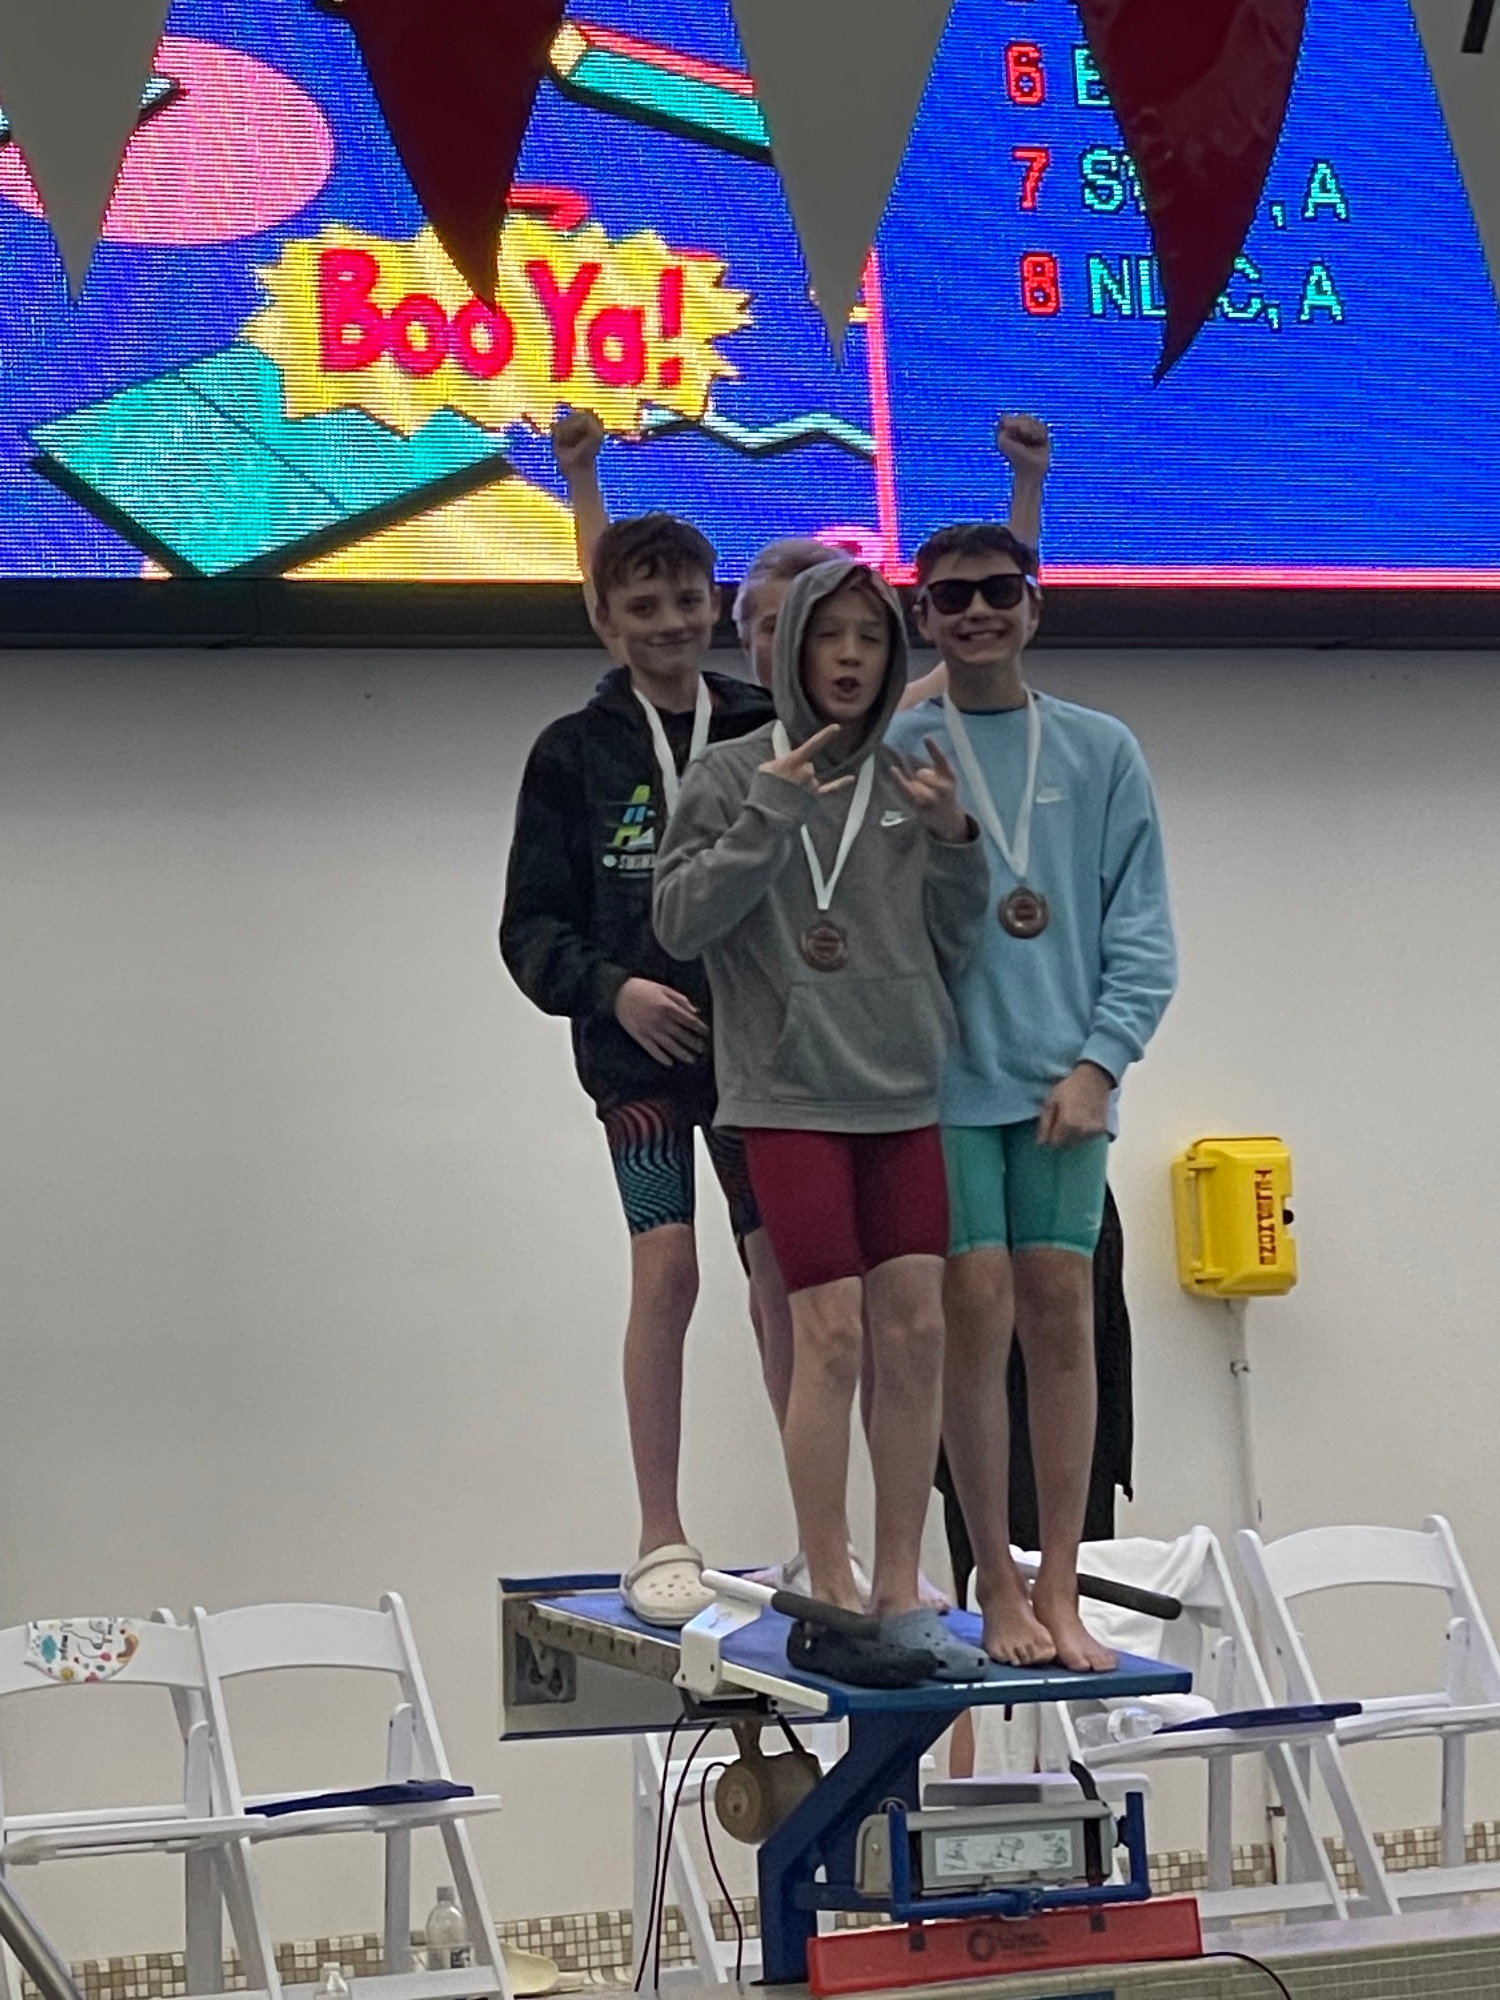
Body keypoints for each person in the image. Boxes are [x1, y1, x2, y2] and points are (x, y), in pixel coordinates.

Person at [653, 559, 991, 1677]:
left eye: (870, 637)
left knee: (918, 1332)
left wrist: (955, 844)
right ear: (791, 644)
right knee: (830, 1334)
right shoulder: (727, 772)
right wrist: (771, 814)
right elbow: (682, 921)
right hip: (790, 1093)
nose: (850, 656)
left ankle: (899, 1584)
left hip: (902, 1091)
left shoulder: (913, 772)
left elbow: (961, 941)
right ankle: (831, 1581)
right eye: (829, 634)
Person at [887, 524, 1177, 1672]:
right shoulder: (899, 747)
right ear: (923, 617)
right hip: (944, 1084)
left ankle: (1060, 1578)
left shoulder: (1102, 748)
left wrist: (1101, 1063)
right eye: (951, 596)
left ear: (1034, 605)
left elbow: (1142, 929)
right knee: (975, 1312)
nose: (977, 611)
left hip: (1066, 1078)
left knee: (1062, 1308)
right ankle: (993, 1578)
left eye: (998, 591)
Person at [499, 511, 784, 1628]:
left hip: (762, 1056)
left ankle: (822, 1532)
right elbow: (530, 927)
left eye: (687, 601)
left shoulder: (764, 723)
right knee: (668, 1275)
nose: (670, 623)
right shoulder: (572, 752)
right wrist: (616, 988)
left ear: (717, 605)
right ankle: (660, 1529)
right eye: (643, 605)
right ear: (605, 619)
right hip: (639, 1064)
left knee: (785, 1281)